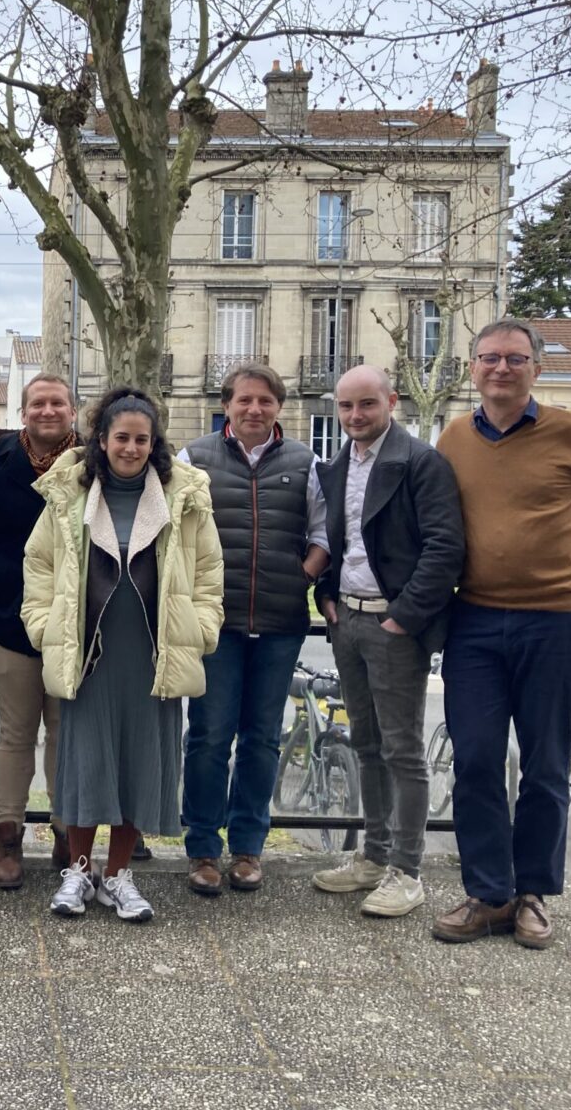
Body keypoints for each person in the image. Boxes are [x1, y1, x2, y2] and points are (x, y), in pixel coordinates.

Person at [431, 319, 571, 949]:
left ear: (536, 369)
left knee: (545, 766)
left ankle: (534, 895)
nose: (502, 368)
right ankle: (488, 894)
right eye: (490, 358)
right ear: (473, 368)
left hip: (554, 623)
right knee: (475, 763)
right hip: (474, 623)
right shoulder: (455, 437)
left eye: (515, 359)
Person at [21, 387, 223, 921]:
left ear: (153, 443)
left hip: (156, 651)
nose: (130, 448)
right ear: (101, 441)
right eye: (120, 438)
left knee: (138, 763)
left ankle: (118, 876)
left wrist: (199, 630)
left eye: (141, 439)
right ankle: (81, 873)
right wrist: (45, 627)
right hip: (90, 651)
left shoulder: (184, 498)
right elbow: (38, 563)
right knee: (88, 765)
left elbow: (207, 571)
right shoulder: (71, 493)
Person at [311, 365, 464, 918]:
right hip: (347, 621)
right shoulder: (335, 467)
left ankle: (407, 870)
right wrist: (326, 596)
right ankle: (373, 858)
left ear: (391, 402)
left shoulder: (421, 463)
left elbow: (444, 547)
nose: (355, 416)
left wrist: (403, 617)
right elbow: (338, 540)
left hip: (393, 626)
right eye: (346, 406)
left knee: (402, 751)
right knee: (365, 745)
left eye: (366, 405)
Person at [183, 363, 329, 896]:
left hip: (279, 621)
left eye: (265, 401)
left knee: (262, 740)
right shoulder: (193, 459)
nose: (254, 410)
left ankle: (248, 848)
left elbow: (323, 532)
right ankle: (201, 847)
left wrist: (303, 575)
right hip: (214, 624)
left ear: (278, 408)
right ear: (228, 404)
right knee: (208, 737)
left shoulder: (305, 462)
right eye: (245, 400)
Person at [0, 372, 79, 887]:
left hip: (76, 620)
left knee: (66, 734)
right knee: (14, 733)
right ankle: (7, 835)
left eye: (57, 402)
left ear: (73, 411)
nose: (47, 411)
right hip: (8, 616)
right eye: (38, 403)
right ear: (23, 412)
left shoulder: (91, 465)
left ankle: (65, 834)